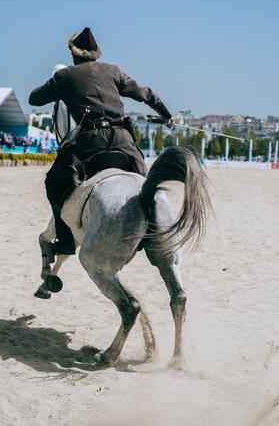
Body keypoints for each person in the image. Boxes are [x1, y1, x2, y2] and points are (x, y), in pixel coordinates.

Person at [28, 27, 173, 255]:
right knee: (145, 182)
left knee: (53, 183)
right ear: (96, 54)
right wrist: (165, 114)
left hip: (89, 143)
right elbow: (146, 94)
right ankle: (154, 233)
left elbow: (34, 98)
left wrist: (59, 85)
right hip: (123, 140)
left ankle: (65, 240)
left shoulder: (65, 76)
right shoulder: (114, 71)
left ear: (74, 54)